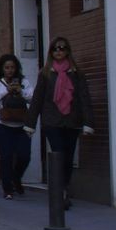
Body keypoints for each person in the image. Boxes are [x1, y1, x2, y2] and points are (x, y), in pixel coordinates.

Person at [26, 37, 95, 208]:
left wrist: (88, 122)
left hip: (72, 121)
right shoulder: (45, 73)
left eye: (62, 48)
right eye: (55, 49)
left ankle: (64, 187)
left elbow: (84, 97)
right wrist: (31, 123)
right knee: (58, 154)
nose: (59, 51)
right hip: (52, 122)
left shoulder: (77, 73)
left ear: (67, 51)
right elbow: (37, 99)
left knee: (68, 157)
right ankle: (58, 191)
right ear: (51, 52)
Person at [0, 54, 32, 198]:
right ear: (2, 69)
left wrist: (20, 91)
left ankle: (16, 177)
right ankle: (7, 188)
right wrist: (7, 90)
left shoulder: (24, 81)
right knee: (6, 156)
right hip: (1, 123)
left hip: (20, 124)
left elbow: (32, 96)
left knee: (25, 155)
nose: (10, 70)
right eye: (7, 68)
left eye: (12, 67)